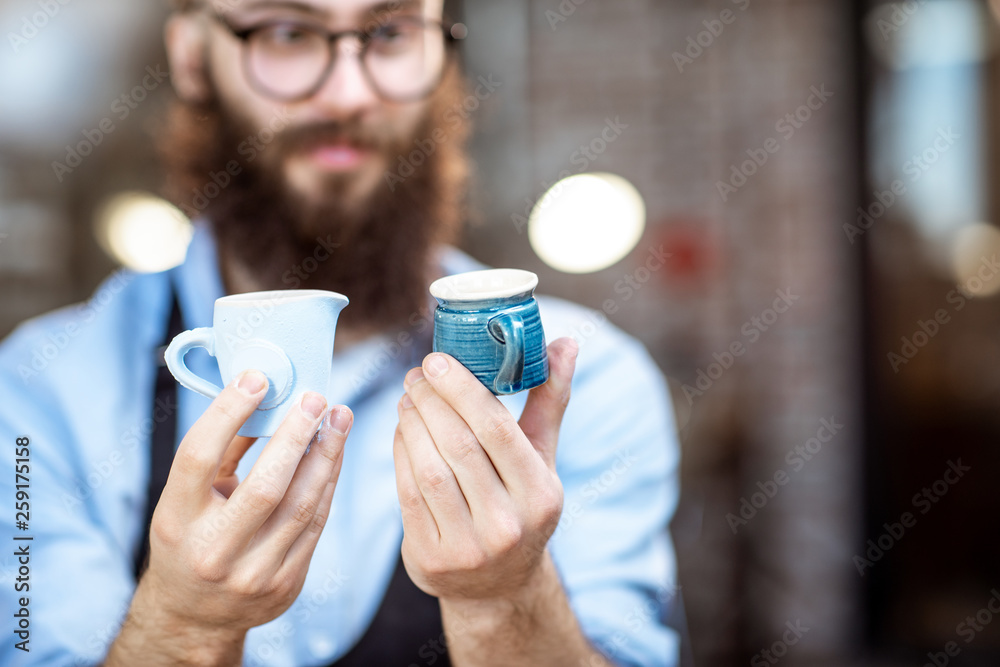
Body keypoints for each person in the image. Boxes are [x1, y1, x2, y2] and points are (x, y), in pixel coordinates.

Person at [0, 0, 681, 665]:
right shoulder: (36, 394)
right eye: (289, 32)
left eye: (390, 31)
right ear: (192, 57)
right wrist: (182, 629)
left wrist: (503, 600)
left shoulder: (586, 383)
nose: (349, 94)